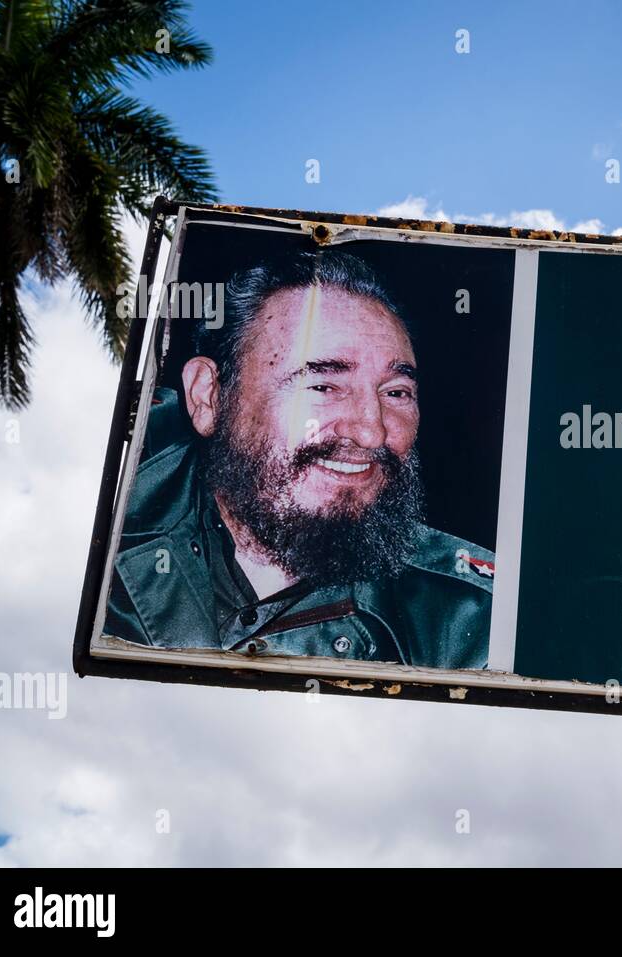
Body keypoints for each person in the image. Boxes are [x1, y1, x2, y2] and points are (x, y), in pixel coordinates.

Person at [101, 248, 495, 668]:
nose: (371, 430)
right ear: (209, 396)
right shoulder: (97, 517)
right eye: (323, 386)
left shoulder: (471, 618)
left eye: (395, 393)